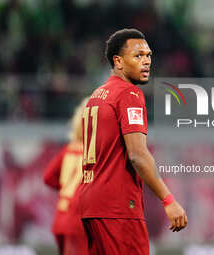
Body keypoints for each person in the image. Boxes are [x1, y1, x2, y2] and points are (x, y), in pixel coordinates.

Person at [77, 28, 187, 255]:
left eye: (148, 56)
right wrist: (168, 200)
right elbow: (137, 154)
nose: (146, 62)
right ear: (118, 61)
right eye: (137, 56)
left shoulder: (97, 95)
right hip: (118, 207)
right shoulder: (129, 95)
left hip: (92, 204)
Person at [44, 98, 89, 255]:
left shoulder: (69, 149)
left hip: (61, 217)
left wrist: (65, 188)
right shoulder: (94, 154)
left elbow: (48, 177)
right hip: (79, 223)